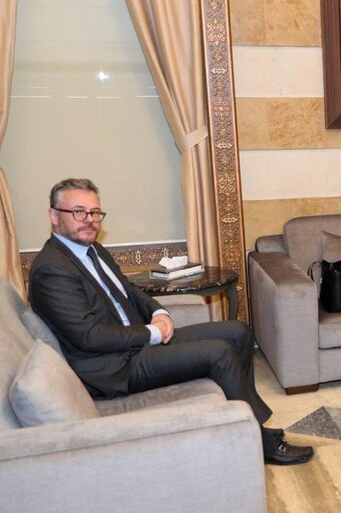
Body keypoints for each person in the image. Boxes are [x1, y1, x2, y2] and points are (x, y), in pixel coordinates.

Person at [29, 178, 314, 466]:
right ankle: (261, 443)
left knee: (237, 332)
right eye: (79, 212)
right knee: (218, 353)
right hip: (114, 367)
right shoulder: (52, 268)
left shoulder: (94, 250)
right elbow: (89, 336)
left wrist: (159, 312)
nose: (90, 220)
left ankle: (246, 421)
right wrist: (151, 333)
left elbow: (129, 291)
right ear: (54, 216)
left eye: (95, 213)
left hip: (135, 345)